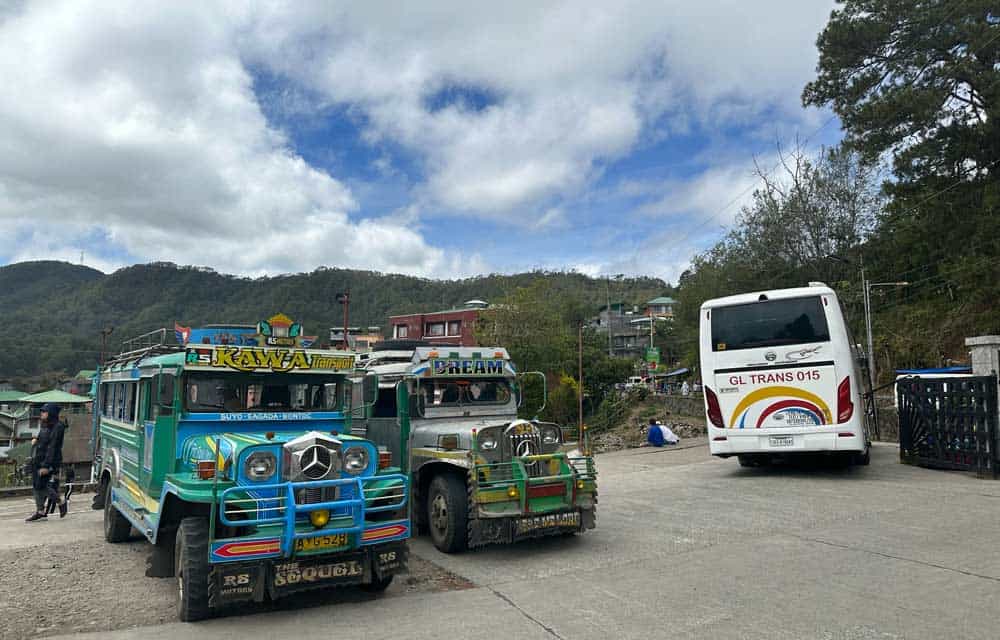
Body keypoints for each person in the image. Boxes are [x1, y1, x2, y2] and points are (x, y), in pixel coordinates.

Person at [26, 403, 67, 522]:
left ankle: (60, 501)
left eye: (44, 411)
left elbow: (52, 447)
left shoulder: (58, 427)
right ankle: (40, 511)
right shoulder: (45, 425)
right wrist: (36, 440)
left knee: (42, 485)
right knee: (36, 485)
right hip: (39, 459)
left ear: (51, 413)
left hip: (50, 461)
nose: (41, 413)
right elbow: (43, 439)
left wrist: (46, 465)